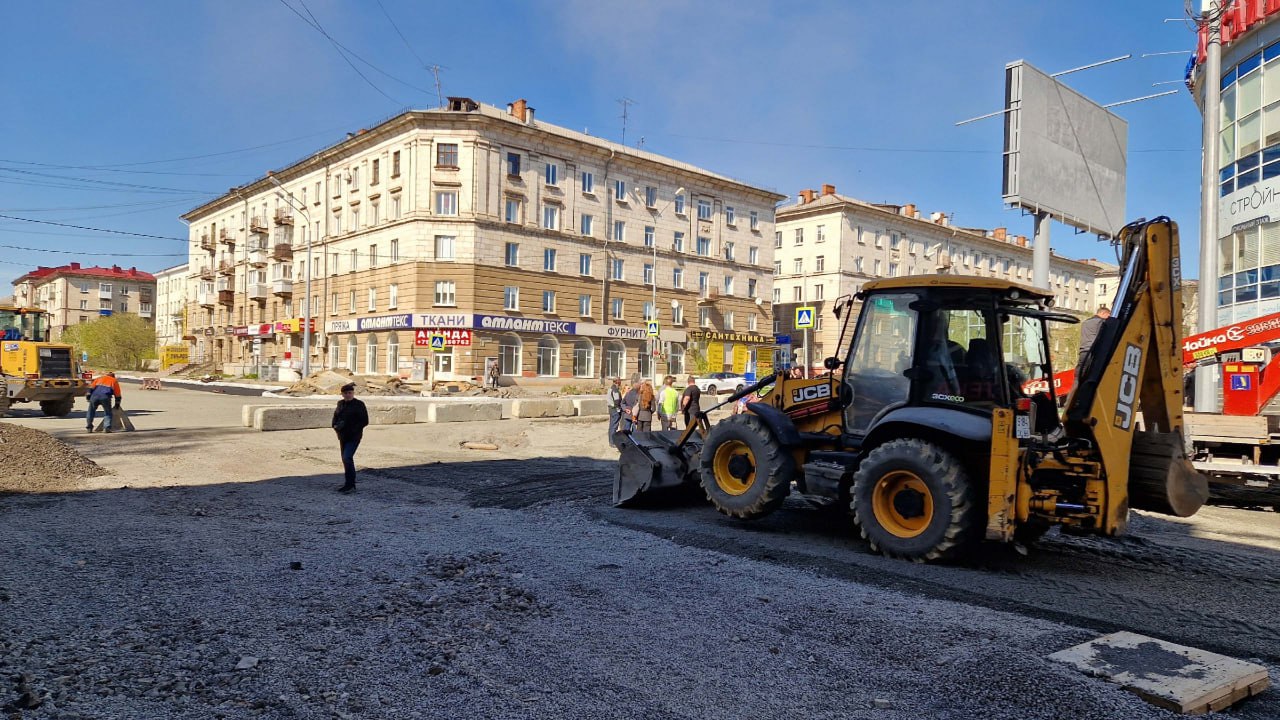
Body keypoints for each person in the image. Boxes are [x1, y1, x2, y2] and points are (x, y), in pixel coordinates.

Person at [332, 382, 369, 493]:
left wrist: (352, 428)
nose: (348, 395)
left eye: (350, 393)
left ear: (353, 393)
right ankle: (348, 483)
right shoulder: (340, 404)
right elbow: (336, 417)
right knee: (345, 459)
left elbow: (364, 421)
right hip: (343, 436)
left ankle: (351, 485)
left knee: (347, 457)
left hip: (354, 436)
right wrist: (335, 426)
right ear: (342, 394)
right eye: (346, 393)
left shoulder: (359, 404)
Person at [606, 377, 624, 441]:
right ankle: (612, 441)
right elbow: (617, 401)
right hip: (615, 410)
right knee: (614, 426)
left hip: (611, 409)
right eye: (620, 381)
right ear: (617, 382)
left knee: (611, 425)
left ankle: (611, 440)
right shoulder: (615, 390)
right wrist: (619, 409)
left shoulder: (610, 389)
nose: (620, 382)